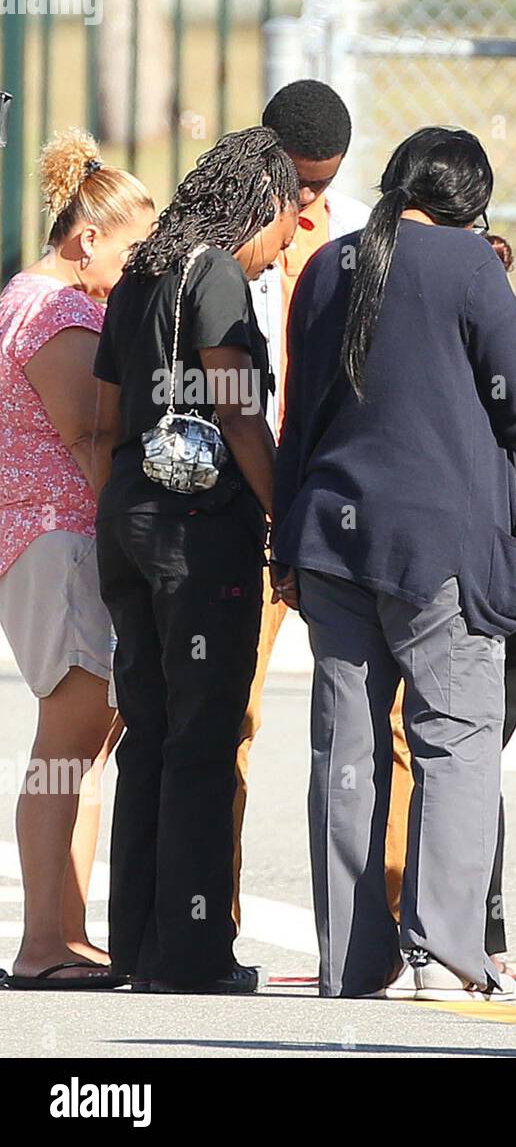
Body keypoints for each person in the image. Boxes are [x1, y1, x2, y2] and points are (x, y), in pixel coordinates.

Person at [271, 127, 516, 1002]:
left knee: (347, 752)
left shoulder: (331, 266)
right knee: (455, 740)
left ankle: (349, 960)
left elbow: (300, 416)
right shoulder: (469, 266)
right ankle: (447, 953)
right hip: (441, 544)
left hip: (333, 542)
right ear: (469, 204)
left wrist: (282, 547)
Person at [92, 127, 300, 994]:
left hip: (129, 518)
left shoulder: (140, 270)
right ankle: (193, 953)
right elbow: (241, 411)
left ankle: (138, 945)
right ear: (260, 203)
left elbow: (106, 417)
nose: (280, 248)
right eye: (285, 223)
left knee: (147, 735)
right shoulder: (212, 271)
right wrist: (286, 517)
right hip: (196, 531)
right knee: (204, 739)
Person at [385, 232, 516, 966]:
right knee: (475, 753)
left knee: (457, 754)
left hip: (485, 584)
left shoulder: (441, 359)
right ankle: (474, 932)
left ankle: (464, 933)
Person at [0, 132, 153, 990]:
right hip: (56, 535)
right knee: (67, 740)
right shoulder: (54, 310)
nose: (135, 267)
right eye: (131, 248)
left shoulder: (37, 299)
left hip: (50, 537)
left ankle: (69, 931)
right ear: (86, 236)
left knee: (83, 745)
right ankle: (40, 943)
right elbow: (88, 432)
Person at [231, 80, 373, 927]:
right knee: (229, 714)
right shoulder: (221, 237)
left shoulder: (359, 234)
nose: (309, 199)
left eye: (324, 182)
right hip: (250, 503)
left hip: (334, 505)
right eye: (299, 180)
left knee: (373, 714)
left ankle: (379, 921)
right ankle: (216, 913)